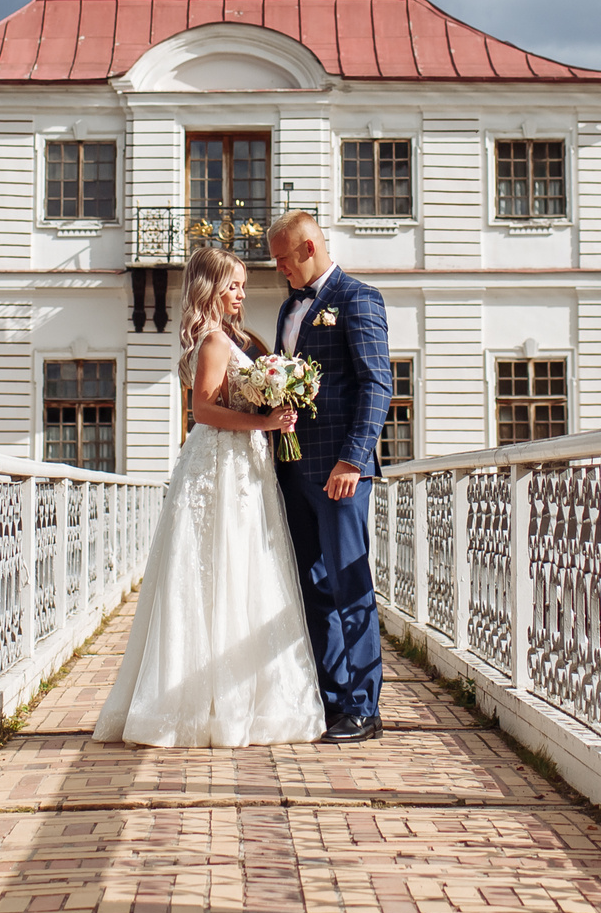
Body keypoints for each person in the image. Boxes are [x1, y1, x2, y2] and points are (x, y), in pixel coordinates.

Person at [92, 245, 327, 747]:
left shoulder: (221, 337)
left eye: (242, 285)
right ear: (211, 290)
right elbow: (202, 410)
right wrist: (264, 421)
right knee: (222, 569)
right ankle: (211, 704)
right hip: (221, 463)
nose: (241, 294)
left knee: (227, 570)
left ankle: (218, 697)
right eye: (233, 286)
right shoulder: (216, 341)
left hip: (234, 463)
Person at [266, 210, 392, 743]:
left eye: (282, 259)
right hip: (294, 470)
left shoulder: (358, 299)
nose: (278, 271)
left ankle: (365, 706)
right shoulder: (287, 310)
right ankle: (332, 699)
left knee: (350, 585)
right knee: (313, 588)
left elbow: (376, 385)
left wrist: (354, 460)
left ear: (309, 247)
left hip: (340, 473)